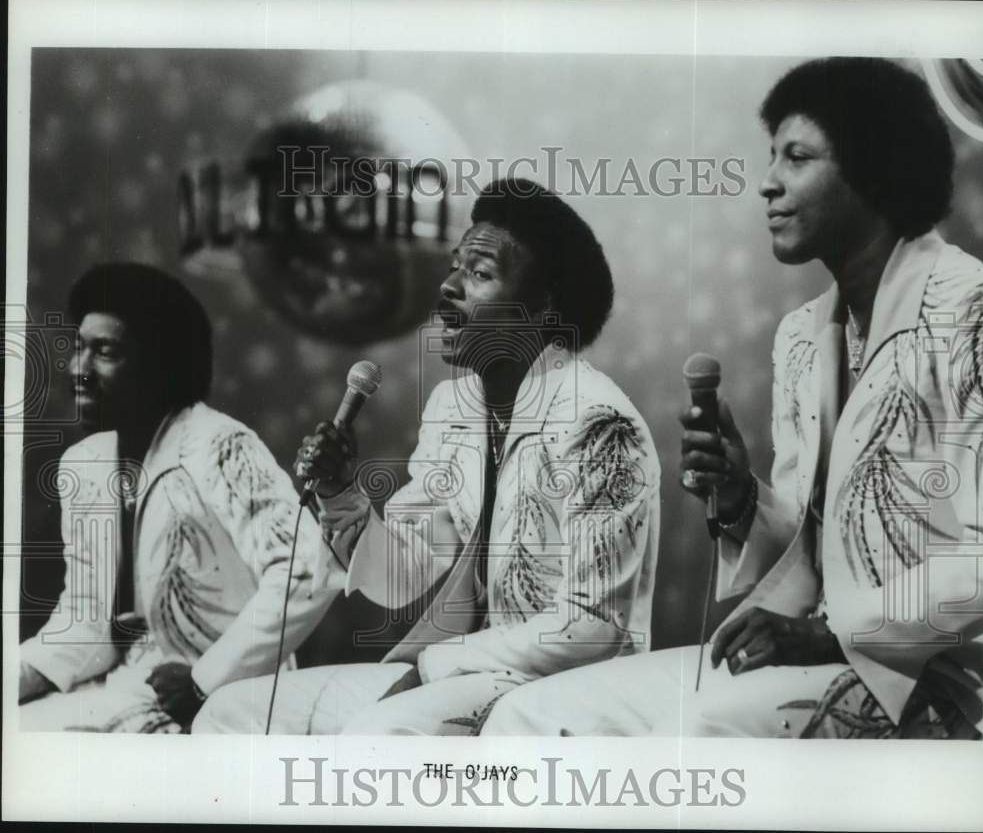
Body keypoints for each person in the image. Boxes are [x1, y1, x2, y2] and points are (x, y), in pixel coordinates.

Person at [481, 57, 983, 738]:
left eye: (797, 157)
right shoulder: (802, 337)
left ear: (874, 169)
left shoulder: (975, 308)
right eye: (771, 155)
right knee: (531, 715)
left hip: (927, 680)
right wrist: (742, 499)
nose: (767, 183)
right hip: (821, 651)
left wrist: (837, 634)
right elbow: (814, 556)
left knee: (700, 736)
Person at [193, 178, 661, 735]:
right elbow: (402, 576)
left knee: (376, 737)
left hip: (568, 691)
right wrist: (343, 493)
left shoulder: (602, 424)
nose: (448, 288)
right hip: (467, 672)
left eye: (480, 274)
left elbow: (592, 627)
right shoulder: (453, 407)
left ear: (544, 307)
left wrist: (435, 666)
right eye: (453, 267)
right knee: (232, 714)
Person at [19, 263, 340, 732]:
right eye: (79, 348)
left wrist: (204, 681)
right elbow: (86, 625)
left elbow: (307, 570)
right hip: (128, 692)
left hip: (230, 705)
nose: (78, 369)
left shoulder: (220, 445)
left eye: (104, 351)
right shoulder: (84, 465)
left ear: (158, 364)